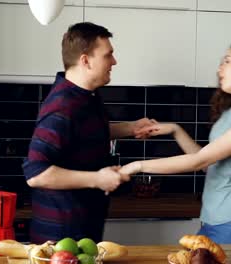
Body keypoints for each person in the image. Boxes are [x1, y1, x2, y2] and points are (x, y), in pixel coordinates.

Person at [121, 36, 231, 244]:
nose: (220, 68)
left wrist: (136, 166)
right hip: (213, 221)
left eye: (227, 60)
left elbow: (199, 161)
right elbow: (207, 164)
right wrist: (176, 130)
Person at [22, 22, 154, 244]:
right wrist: (98, 179)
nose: (114, 61)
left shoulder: (85, 96)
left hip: (82, 228)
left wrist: (131, 128)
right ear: (85, 60)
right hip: (61, 237)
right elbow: (36, 173)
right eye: (108, 55)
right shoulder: (62, 106)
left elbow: (81, 133)